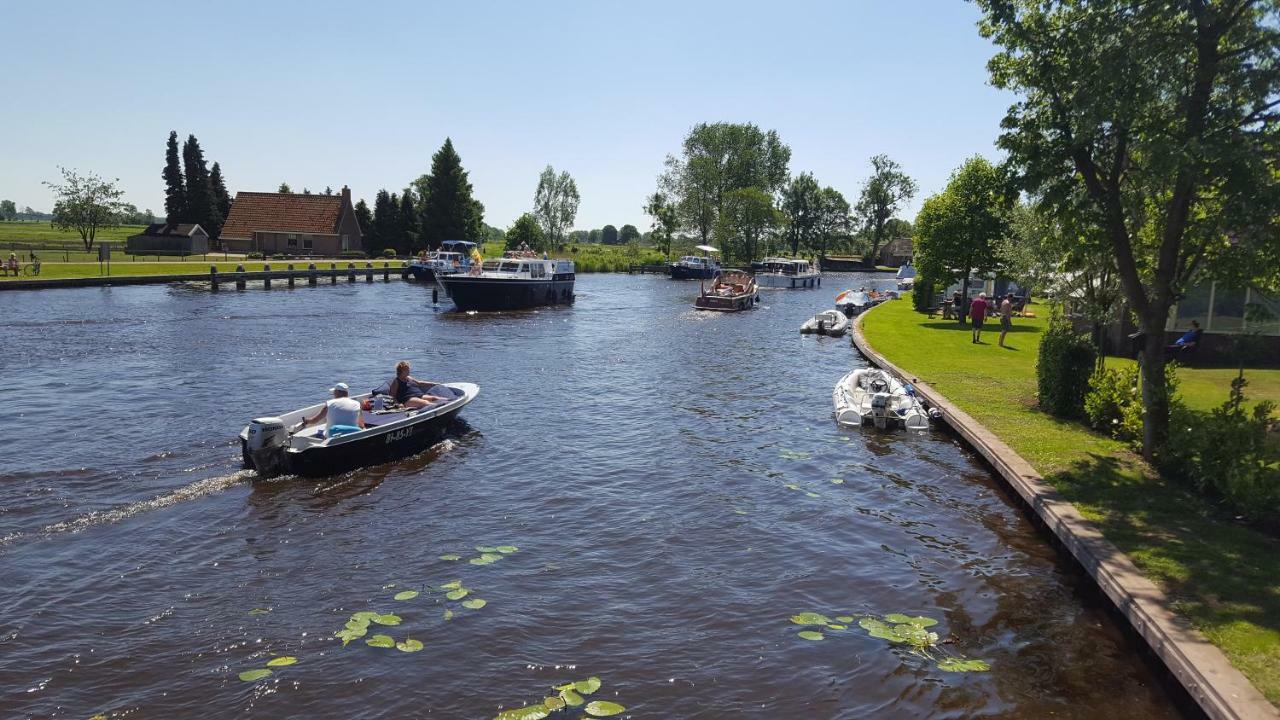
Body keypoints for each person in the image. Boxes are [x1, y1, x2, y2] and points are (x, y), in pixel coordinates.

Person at [293, 382, 365, 437]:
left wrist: (307, 421)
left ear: (338, 392)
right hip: (351, 435)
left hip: (332, 437)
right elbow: (361, 425)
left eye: (334, 392)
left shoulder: (330, 404)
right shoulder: (357, 404)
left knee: (321, 432)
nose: (333, 394)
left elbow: (315, 420)